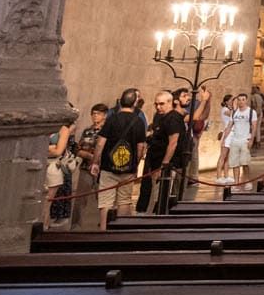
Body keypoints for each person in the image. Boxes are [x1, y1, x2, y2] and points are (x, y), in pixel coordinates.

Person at [91, 88, 145, 230]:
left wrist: (95, 162)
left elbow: (100, 143)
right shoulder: (139, 122)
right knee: (124, 200)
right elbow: (140, 147)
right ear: (135, 103)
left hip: (109, 167)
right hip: (128, 168)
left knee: (106, 201)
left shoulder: (111, 119)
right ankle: (119, 230)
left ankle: (104, 230)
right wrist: (135, 165)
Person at [142, 91, 187, 211]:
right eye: (156, 104)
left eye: (161, 104)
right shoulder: (161, 117)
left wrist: (164, 165)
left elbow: (173, 143)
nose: (158, 107)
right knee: (156, 195)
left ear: (170, 102)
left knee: (162, 196)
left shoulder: (173, 119)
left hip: (166, 165)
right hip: (156, 162)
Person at [72, 103, 107, 230]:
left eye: (98, 114)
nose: (95, 116)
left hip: (102, 170)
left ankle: (104, 225)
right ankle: (76, 225)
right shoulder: (87, 131)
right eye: (93, 113)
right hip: (86, 167)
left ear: (104, 115)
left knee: (103, 199)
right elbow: (78, 149)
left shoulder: (108, 130)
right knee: (80, 199)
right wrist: (87, 155)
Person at [44, 112, 75, 229]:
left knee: (46, 203)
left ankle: (44, 228)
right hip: (41, 165)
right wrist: (50, 148)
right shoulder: (44, 127)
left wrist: (47, 149)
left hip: (53, 167)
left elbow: (58, 151)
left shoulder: (63, 130)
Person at [224, 92, 257, 189]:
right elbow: (230, 125)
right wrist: (224, 138)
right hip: (235, 140)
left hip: (245, 140)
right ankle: (236, 183)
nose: (241, 101)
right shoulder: (234, 112)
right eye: (239, 99)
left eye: (243, 99)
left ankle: (247, 181)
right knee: (235, 163)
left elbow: (254, 127)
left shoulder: (251, 112)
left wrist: (251, 140)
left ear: (246, 100)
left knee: (245, 163)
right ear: (237, 101)